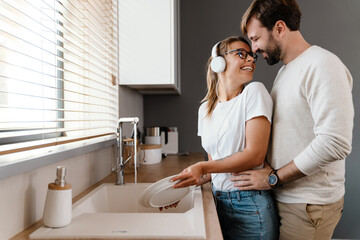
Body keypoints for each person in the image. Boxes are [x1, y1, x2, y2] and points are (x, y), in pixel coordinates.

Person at [230, 0, 354, 239]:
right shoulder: (286, 71)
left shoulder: (323, 65)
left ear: (279, 28)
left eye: (255, 39)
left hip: (309, 205)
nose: (253, 49)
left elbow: (335, 142)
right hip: (286, 197)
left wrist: (274, 177)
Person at [171, 36, 279, 240]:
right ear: (218, 62)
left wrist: (202, 168)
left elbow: (255, 155)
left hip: (249, 204)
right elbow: (215, 166)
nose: (251, 60)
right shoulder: (205, 109)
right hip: (217, 200)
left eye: (252, 56)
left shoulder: (254, 93)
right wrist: (179, 186)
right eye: (241, 54)